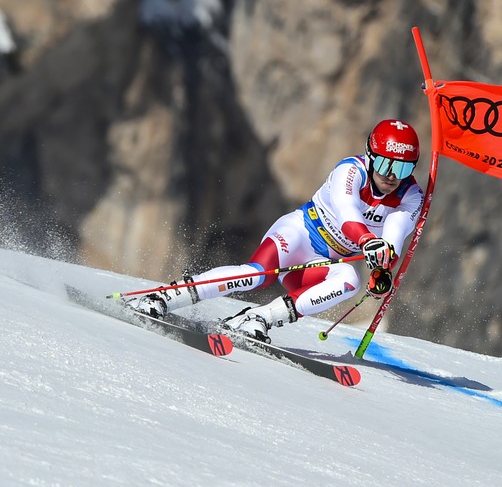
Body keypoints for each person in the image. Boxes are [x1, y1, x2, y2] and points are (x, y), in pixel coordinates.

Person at [126, 119, 424, 342]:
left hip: (330, 261)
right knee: (255, 275)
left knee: (349, 281)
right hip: (302, 233)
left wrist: (382, 270)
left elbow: (395, 233)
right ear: (371, 156)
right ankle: (164, 297)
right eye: (386, 164)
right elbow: (347, 213)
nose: (391, 176)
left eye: (402, 168)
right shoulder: (350, 171)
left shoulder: (411, 195)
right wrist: (367, 241)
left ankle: (259, 318)